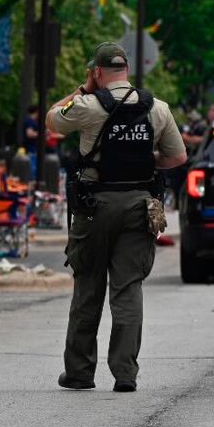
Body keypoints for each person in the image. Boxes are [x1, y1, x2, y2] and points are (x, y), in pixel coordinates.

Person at [46, 41, 187, 393]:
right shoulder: (158, 108)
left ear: (97, 72)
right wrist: (141, 161)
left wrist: (82, 89)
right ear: (126, 70)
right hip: (139, 206)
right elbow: (177, 157)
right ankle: (125, 373)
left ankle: (79, 372)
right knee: (127, 290)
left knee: (88, 288)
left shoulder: (88, 106)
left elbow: (52, 121)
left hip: (95, 208)